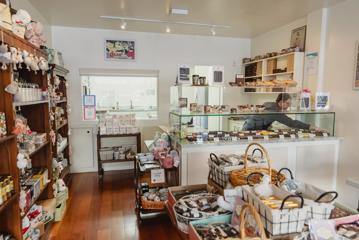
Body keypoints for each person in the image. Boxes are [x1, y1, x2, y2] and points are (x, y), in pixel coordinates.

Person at [242, 93, 310, 131]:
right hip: (251, 129)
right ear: (281, 102)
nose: (289, 106)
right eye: (287, 103)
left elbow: (263, 118)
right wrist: (308, 126)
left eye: (290, 104)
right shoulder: (276, 112)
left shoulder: (268, 103)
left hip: (247, 126)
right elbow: (291, 123)